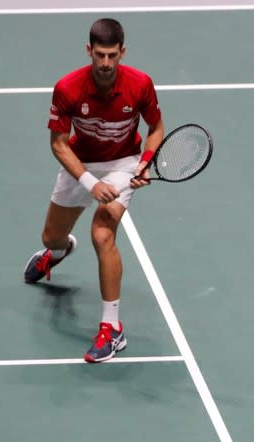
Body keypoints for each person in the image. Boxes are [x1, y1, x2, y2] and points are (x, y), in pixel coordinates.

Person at [23, 17, 164, 363]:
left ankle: (111, 329)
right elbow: (58, 144)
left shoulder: (140, 84)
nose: (105, 63)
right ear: (89, 50)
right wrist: (90, 182)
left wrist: (146, 160)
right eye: (99, 55)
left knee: (102, 234)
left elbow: (156, 126)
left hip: (122, 164)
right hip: (80, 164)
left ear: (122, 52)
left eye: (112, 55)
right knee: (51, 237)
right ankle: (56, 253)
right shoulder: (68, 88)